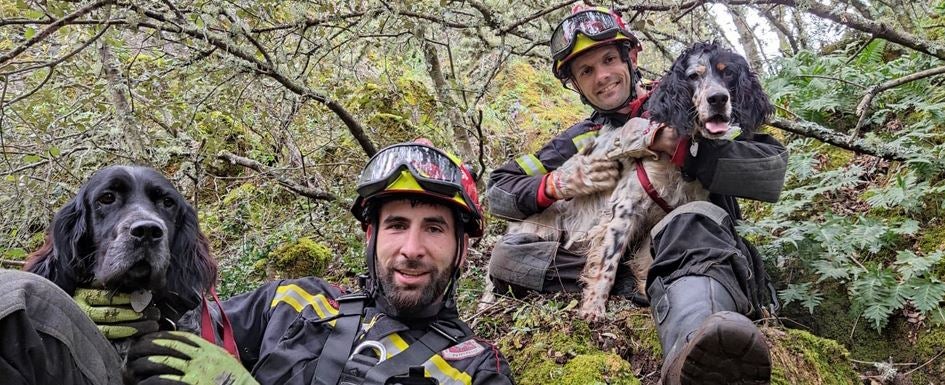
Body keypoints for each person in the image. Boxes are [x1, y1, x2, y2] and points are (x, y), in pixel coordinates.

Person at [1, 141, 514, 385]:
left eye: (435, 228)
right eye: (397, 225)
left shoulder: (474, 368)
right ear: (371, 234)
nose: (411, 249)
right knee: (22, 303)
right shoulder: (296, 302)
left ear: (464, 246)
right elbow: (193, 320)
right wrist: (117, 304)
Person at [485, 4, 787, 385]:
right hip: (621, 251)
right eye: (586, 71)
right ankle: (646, 286)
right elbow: (498, 187)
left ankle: (698, 348)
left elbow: (771, 170)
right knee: (508, 257)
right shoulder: (579, 138)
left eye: (609, 59)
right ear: (576, 85)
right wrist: (554, 185)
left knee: (692, 223)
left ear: (632, 57)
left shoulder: (688, 92)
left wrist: (684, 149)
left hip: (692, 241)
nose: (603, 76)